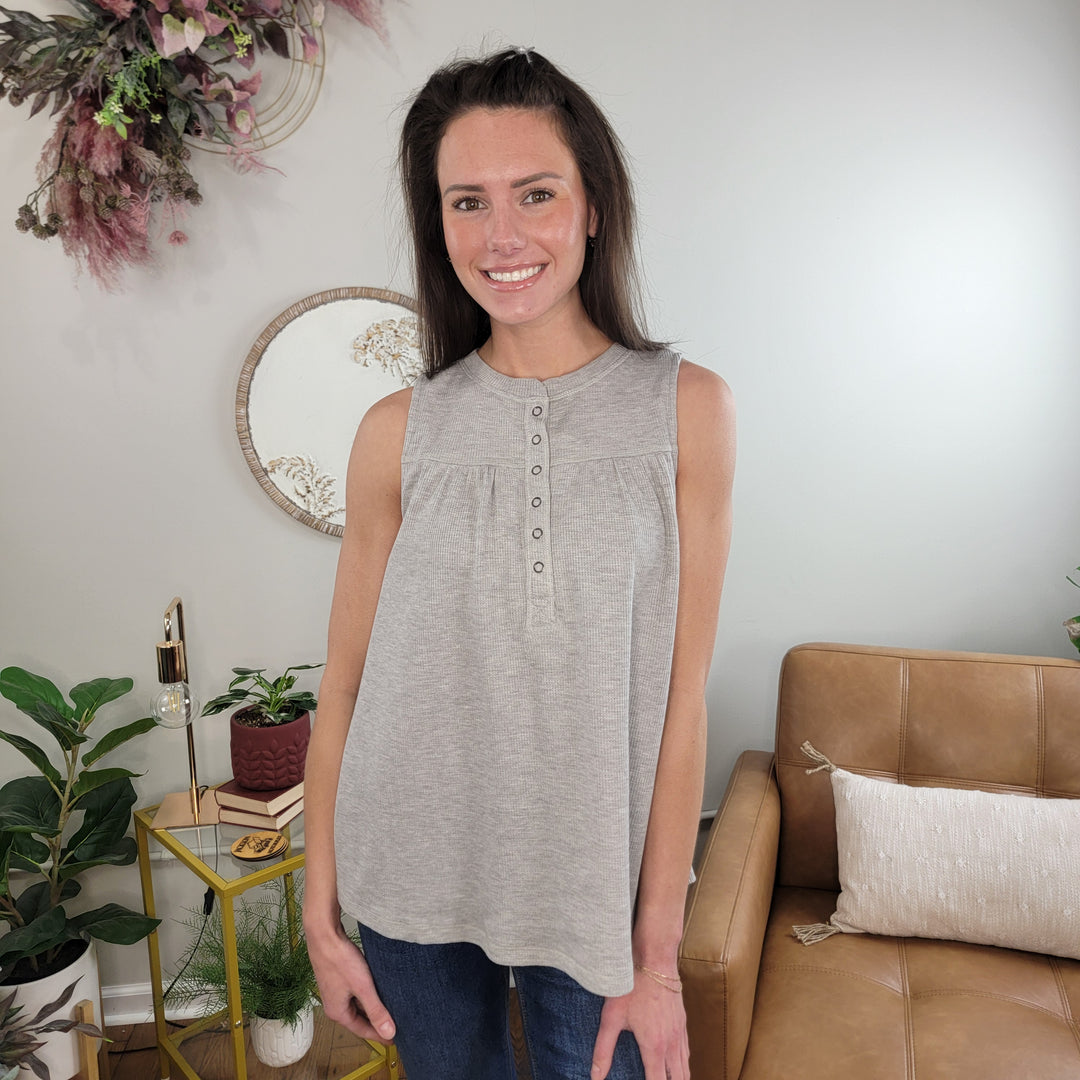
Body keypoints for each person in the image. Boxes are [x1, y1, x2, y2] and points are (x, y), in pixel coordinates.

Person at [302, 47, 735, 1080]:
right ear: (437, 222)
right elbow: (347, 682)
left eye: (535, 194)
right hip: (409, 881)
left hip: (595, 896)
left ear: (592, 207)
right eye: (467, 202)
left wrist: (658, 955)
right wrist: (320, 916)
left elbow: (682, 700)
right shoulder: (393, 431)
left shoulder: (689, 410)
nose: (501, 236)